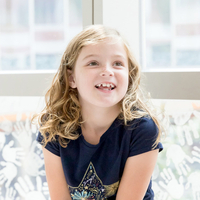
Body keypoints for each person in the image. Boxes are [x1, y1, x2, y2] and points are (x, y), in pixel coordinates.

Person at [34, 25, 163, 200]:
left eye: (117, 64)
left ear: (129, 75)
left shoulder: (143, 130)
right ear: (72, 78)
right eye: (93, 63)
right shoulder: (53, 127)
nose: (107, 71)